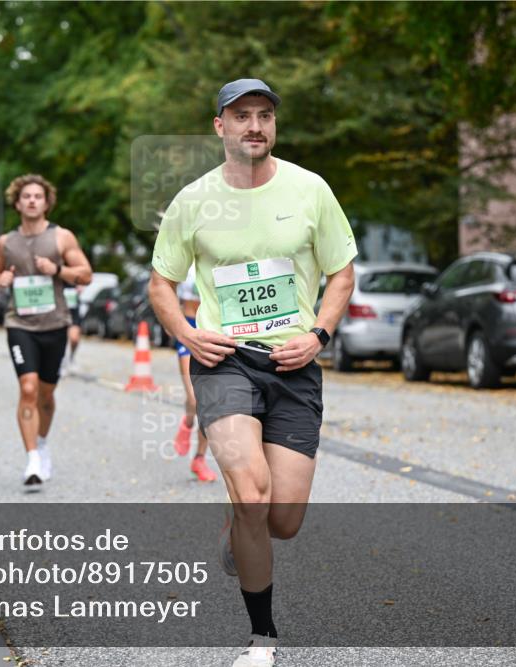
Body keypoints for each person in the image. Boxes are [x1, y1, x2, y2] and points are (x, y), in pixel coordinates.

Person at [148, 79, 356, 667]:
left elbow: (342, 272)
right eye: (242, 116)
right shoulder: (193, 200)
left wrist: (318, 335)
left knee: (283, 519)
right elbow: (160, 282)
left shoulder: (310, 189)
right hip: (224, 361)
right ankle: (262, 640)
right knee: (253, 496)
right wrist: (187, 334)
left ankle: (242, 530)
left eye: (264, 116)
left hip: (294, 364)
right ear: (220, 126)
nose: (254, 126)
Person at [0, 174, 92, 487]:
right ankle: (32, 458)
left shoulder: (61, 237)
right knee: (28, 388)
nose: (32, 200)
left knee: (46, 393)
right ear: (17, 203)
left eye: (38, 196)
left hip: (55, 324)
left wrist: (56, 269)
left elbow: (85, 274)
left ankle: (42, 443)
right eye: (26, 196)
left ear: (46, 203)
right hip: (20, 324)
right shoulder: (6, 242)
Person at [172, 264, 217, 483]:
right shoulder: (182, 264)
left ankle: (199, 458)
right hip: (189, 331)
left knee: (208, 402)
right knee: (195, 397)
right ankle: (188, 423)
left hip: (211, 331)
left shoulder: (218, 259)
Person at [60, 283, 83, 375]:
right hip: (60, 314)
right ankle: (61, 364)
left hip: (73, 313)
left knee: (74, 339)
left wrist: (81, 286)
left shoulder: (74, 275)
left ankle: (72, 358)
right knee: (61, 340)